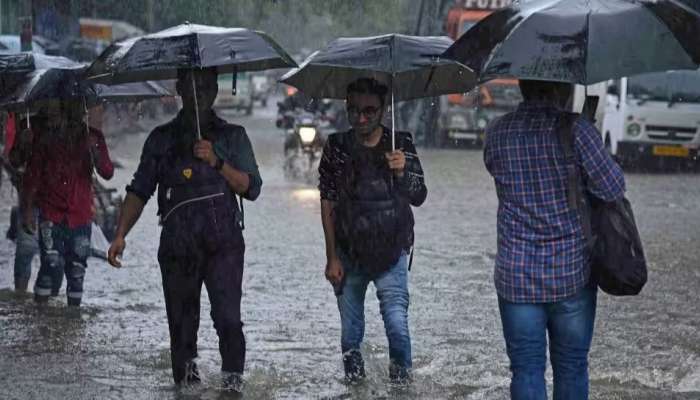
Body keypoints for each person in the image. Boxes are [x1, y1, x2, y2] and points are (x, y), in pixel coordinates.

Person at [107, 68, 262, 392]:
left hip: (224, 246)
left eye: (205, 86)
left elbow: (251, 188)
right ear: (179, 88)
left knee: (229, 321)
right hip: (178, 247)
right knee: (181, 330)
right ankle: (186, 389)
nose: (199, 93)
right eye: (191, 86)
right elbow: (139, 191)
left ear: (215, 89)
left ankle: (232, 389)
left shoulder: (233, 136)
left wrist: (217, 161)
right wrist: (121, 234)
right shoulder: (161, 139)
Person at [483, 80, 626, 400]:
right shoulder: (578, 131)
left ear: (521, 86)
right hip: (571, 273)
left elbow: (496, 170)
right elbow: (612, 189)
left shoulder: (496, 132)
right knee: (572, 366)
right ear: (563, 89)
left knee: (526, 369)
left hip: (516, 274)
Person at [319, 78, 427, 384]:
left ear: (383, 110)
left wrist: (403, 171)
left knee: (396, 324)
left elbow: (420, 196)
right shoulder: (337, 147)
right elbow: (327, 201)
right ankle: (355, 388)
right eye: (354, 111)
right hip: (348, 253)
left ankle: (402, 387)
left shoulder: (400, 143)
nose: (361, 118)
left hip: (392, 251)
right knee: (351, 335)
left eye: (369, 111)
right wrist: (331, 258)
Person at [22, 100, 114, 305]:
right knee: (51, 263)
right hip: (50, 212)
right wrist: (28, 211)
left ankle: (72, 324)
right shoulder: (46, 138)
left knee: (77, 271)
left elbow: (107, 172)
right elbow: (32, 176)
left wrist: (95, 151)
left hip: (80, 215)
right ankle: (41, 316)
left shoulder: (93, 137)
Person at [6, 114, 40, 293]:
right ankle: (21, 296)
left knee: (54, 261)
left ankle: (47, 302)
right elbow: (14, 160)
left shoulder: (75, 128)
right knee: (25, 251)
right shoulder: (27, 124)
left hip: (61, 203)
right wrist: (23, 142)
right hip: (31, 201)